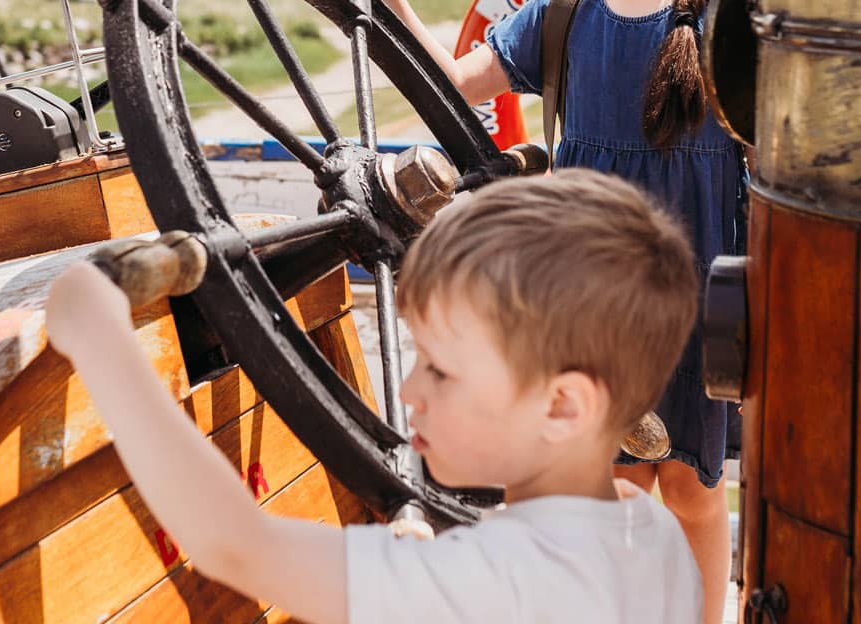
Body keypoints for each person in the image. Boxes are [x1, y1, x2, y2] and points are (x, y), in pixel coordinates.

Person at [328, 0, 742, 624]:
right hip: (589, 297)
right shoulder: (562, 11)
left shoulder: (732, 11)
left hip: (703, 293)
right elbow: (446, 86)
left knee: (693, 496)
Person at [45, 168, 703, 624]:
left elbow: (237, 547)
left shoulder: (497, 578)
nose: (409, 390)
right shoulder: (651, 533)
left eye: (442, 371)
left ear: (563, 407)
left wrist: (98, 334)